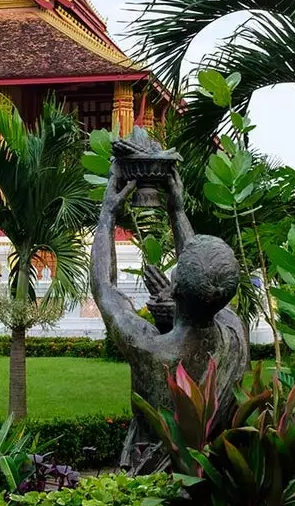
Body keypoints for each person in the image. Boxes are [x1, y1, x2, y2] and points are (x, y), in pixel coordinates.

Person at [91, 152, 248, 469]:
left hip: (155, 478)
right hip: (213, 477)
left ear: (175, 292)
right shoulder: (236, 333)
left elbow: (104, 288)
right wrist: (177, 212)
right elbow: (207, 283)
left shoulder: (150, 348)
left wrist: (108, 214)